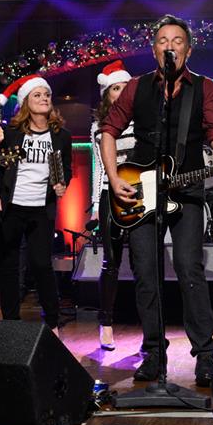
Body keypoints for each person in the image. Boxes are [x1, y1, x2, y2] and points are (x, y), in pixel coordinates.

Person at [100, 14, 213, 387]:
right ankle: (153, 353)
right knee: (146, 273)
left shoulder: (204, 88)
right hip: (139, 191)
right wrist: (114, 177)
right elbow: (108, 130)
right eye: (163, 40)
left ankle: (205, 356)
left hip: (188, 191)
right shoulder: (137, 87)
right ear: (154, 50)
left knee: (189, 269)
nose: (170, 46)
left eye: (177, 41)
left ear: (188, 50)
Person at [0, 73, 72, 336]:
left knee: (41, 265)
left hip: (41, 209)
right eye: (37, 95)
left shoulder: (61, 135)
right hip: (12, 207)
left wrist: (63, 184)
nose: (44, 98)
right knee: (9, 266)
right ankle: (10, 324)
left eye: (47, 95)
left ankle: (53, 323)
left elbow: (66, 170)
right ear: (25, 102)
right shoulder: (11, 134)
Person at [90, 60, 133, 350]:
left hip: (141, 194)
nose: (121, 92)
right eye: (116, 88)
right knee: (111, 262)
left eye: (125, 87)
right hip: (109, 195)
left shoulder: (142, 122)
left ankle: (150, 329)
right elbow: (99, 168)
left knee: (144, 261)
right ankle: (106, 324)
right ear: (107, 94)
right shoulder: (98, 126)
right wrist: (96, 204)